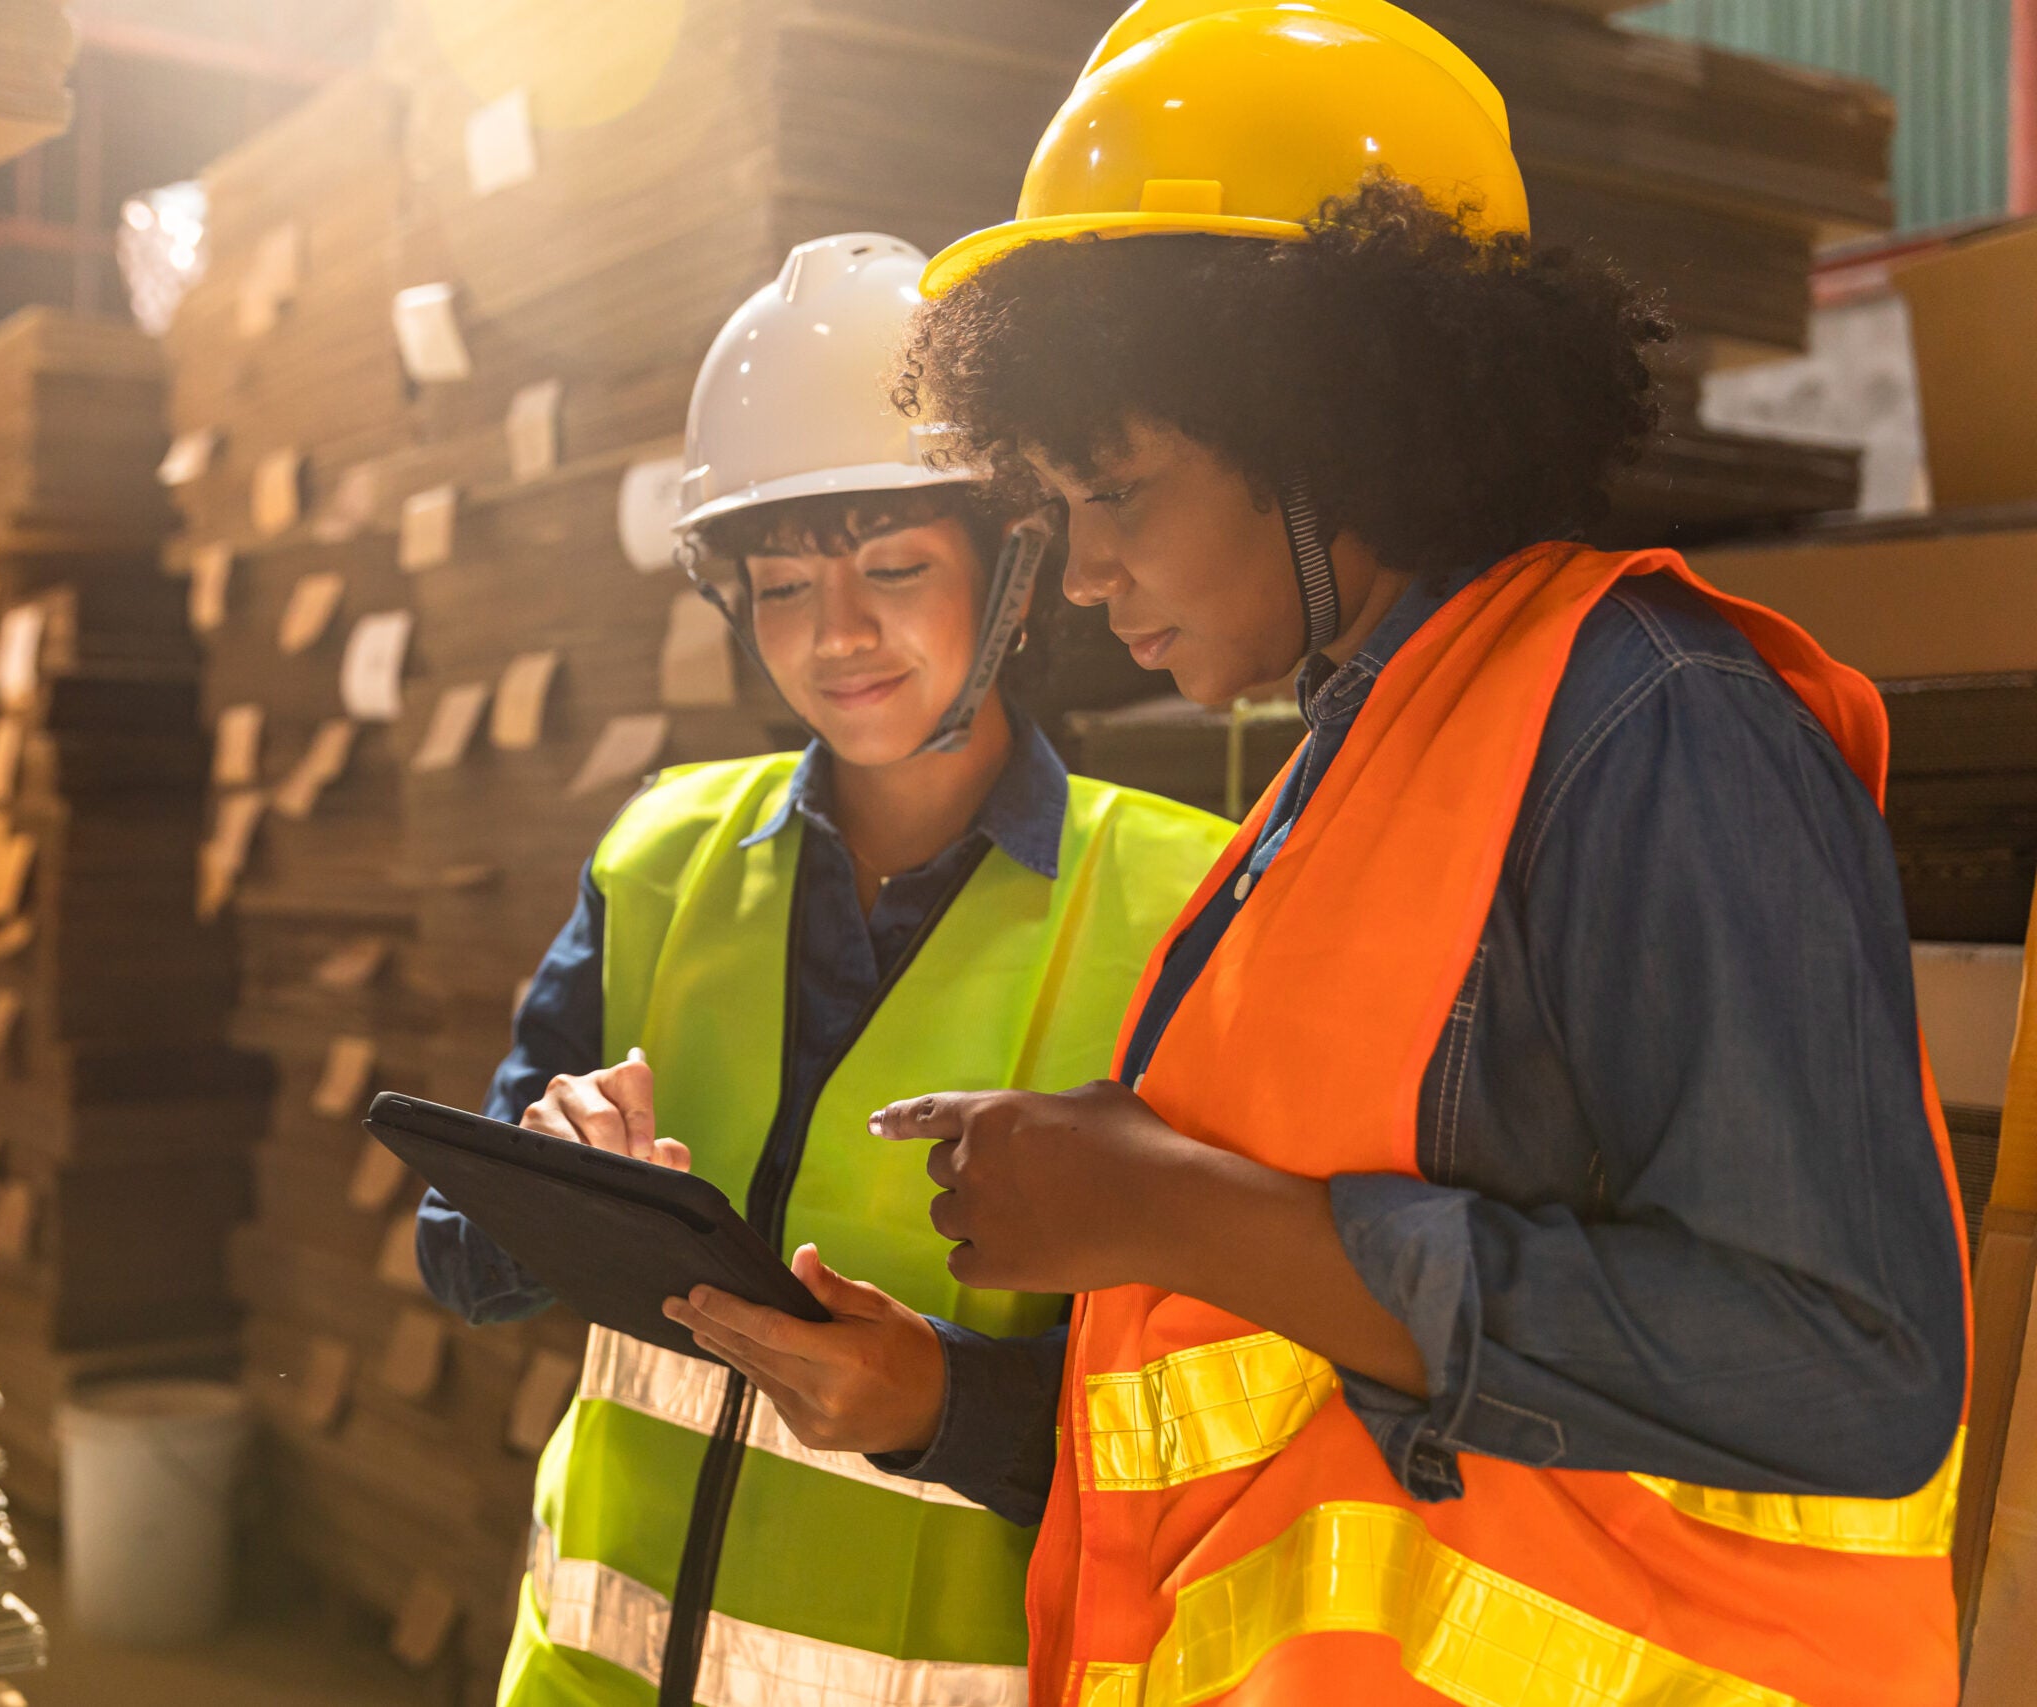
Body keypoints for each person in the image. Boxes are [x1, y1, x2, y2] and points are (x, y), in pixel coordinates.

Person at [684, 5, 1974, 1705]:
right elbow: (1287, 1405)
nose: (1076, 575)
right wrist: (947, 1400)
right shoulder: (1351, 775)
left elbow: (1848, 1369)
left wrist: (1175, 1209)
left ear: (1329, 433)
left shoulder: (1652, 726)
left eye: (1122, 492)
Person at [414, 232, 1237, 1707]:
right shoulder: (661, 853)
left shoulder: (1183, 905)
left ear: (1019, 569)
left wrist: (945, 1404)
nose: (837, 634)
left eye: (894, 569)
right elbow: (457, 1255)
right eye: (783, 586)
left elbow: (1230, 1430)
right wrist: (545, 1190)